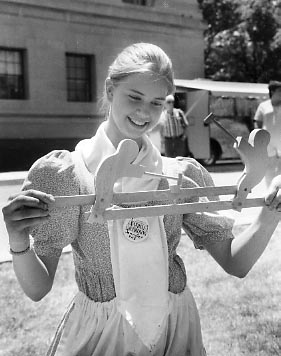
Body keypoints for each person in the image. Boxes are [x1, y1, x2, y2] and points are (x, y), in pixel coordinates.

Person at [3, 42, 281, 356]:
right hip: (103, 335)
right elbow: (38, 289)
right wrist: (17, 239)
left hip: (174, 331)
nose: (144, 112)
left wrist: (270, 215)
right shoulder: (70, 175)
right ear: (110, 90)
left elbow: (236, 263)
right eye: (134, 97)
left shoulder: (179, 175)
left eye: (156, 103)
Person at [254, 80, 281, 187]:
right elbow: (257, 123)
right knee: (269, 172)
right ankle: (270, 196)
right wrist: (258, 140)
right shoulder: (263, 106)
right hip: (268, 145)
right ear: (273, 91)